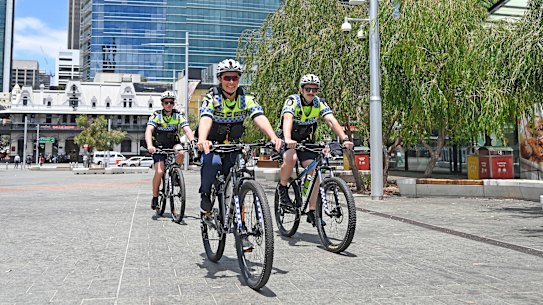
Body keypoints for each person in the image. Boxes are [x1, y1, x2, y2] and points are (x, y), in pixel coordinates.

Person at [197, 59, 282, 248]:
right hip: (213, 144)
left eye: (235, 77)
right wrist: (203, 139)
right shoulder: (212, 97)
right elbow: (205, 118)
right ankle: (205, 197)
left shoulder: (246, 98)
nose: (231, 81)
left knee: (238, 184)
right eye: (227, 77)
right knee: (213, 164)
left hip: (234, 145)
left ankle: (240, 228)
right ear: (220, 79)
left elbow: (259, 116)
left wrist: (273, 136)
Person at [277, 74, 354, 226]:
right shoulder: (293, 101)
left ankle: (312, 210)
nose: (311, 92)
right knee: (291, 159)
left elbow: (331, 121)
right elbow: (287, 119)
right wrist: (287, 138)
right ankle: (283, 187)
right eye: (308, 89)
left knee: (314, 171)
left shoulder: (319, 103)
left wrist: (344, 139)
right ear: (301, 89)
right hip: (289, 139)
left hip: (306, 142)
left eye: (314, 89)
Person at [145, 90, 195, 210]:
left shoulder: (178, 115)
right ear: (162, 104)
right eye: (166, 102)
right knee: (159, 171)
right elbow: (149, 130)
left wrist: (193, 141)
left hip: (173, 144)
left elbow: (187, 129)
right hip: (159, 147)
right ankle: (155, 197)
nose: (169, 105)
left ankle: (175, 173)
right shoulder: (157, 115)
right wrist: (150, 145)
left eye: (171, 102)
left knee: (181, 151)